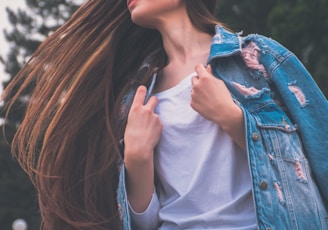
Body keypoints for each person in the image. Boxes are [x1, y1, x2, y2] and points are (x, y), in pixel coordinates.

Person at [2, 0, 328, 229]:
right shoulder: (138, 99)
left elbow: (320, 156)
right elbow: (145, 222)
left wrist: (232, 119)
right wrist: (137, 160)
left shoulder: (259, 61)